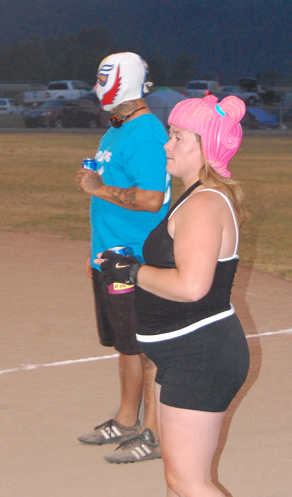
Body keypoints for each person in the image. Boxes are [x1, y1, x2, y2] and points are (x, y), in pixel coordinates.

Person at [97, 94, 250, 495]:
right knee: (178, 478)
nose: (167, 144)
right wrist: (133, 268)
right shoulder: (195, 197)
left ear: (206, 146)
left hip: (199, 356)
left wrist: (133, 271)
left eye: (178, 137)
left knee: (189, 481)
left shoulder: (203, 204)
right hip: (185, 354)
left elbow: (191, 286)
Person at [76, 52, 171, 463]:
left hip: (135, 260)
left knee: (148, 351)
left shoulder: (145, 132)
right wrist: (94, 253)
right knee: (127, 346)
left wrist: (98, 188)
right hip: (110, 257)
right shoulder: (115, 130)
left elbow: (151, 199)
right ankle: (126, 419)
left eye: (102, 78)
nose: (97, 86)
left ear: (121, 82)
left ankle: (153, 434)